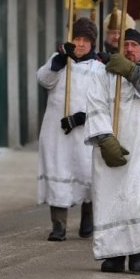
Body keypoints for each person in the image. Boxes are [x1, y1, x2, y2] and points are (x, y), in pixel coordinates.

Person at [84, 28, 140, 273]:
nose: (130, 49)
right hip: (115, 146)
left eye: (134, 45)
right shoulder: (102, 74)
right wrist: (104, 138)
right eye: (125, 45)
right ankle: (114, 254)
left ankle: (139, 251)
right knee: (113, 199)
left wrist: (131, 72)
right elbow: (95, 104)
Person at [36, 17, 104, 242]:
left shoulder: (98, 67)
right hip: (57, 131)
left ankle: (88, 216)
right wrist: (59, 61)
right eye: (77, 38)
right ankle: (58, 225)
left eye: (86, 40)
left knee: (87, 173)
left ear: (92, 43)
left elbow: (104, 100)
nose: (81, 44)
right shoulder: (60, 60)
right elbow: (44, 79)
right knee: (58, 171)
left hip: (83, 130)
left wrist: (81, 118)